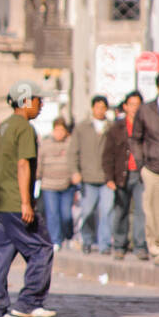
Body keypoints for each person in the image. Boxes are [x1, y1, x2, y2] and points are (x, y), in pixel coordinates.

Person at [0, 80, 55, 317]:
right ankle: (29, 302)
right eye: (37, 100)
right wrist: (26, 202)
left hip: (0, 200)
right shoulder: (24, 127)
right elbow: (23, 163)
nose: (41, 104)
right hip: (16, 201)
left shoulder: (4, 126)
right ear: (25, 100)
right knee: (41, 248)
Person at [103, 91, 148, 261]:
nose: (135, 108)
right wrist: (109, 177)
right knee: (120, 210)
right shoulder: (116, 128)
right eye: (132, 104)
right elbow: (108, 155)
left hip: (141, 173)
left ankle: (140, 246)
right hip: (121, 174)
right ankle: (120, 245)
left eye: (138, 104)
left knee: (141, 211)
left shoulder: (147, 125)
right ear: (125, 106)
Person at [68, 95, 113, 254]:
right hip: (87, 177)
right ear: (92, 108)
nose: (100, 110)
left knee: (106, 211)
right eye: (97, 107)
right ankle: (87, 240)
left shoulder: (111, 127)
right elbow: (73, 151)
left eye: (103, 107)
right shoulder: (82, 127)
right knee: (87, 211)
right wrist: (74, 171)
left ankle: (104, 244)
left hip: (107, 177)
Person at [131, 71, 159, 264]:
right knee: (153, 211)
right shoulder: (146, 110)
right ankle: (156, 248)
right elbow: (136, 138)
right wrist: (141, 163)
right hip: (152, 167)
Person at [37, 117, 75, 251]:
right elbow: (39, 162)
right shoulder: (45, 143)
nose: (59, 133)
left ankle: (68, 235)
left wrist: (75, 175)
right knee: (52, 213)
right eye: (56, 130)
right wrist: (37, 176)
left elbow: (75, 160)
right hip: (49, 184)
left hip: (67, 184)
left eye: (61, 130)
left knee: (66, 215)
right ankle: (55, 240)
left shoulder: (71, 143)